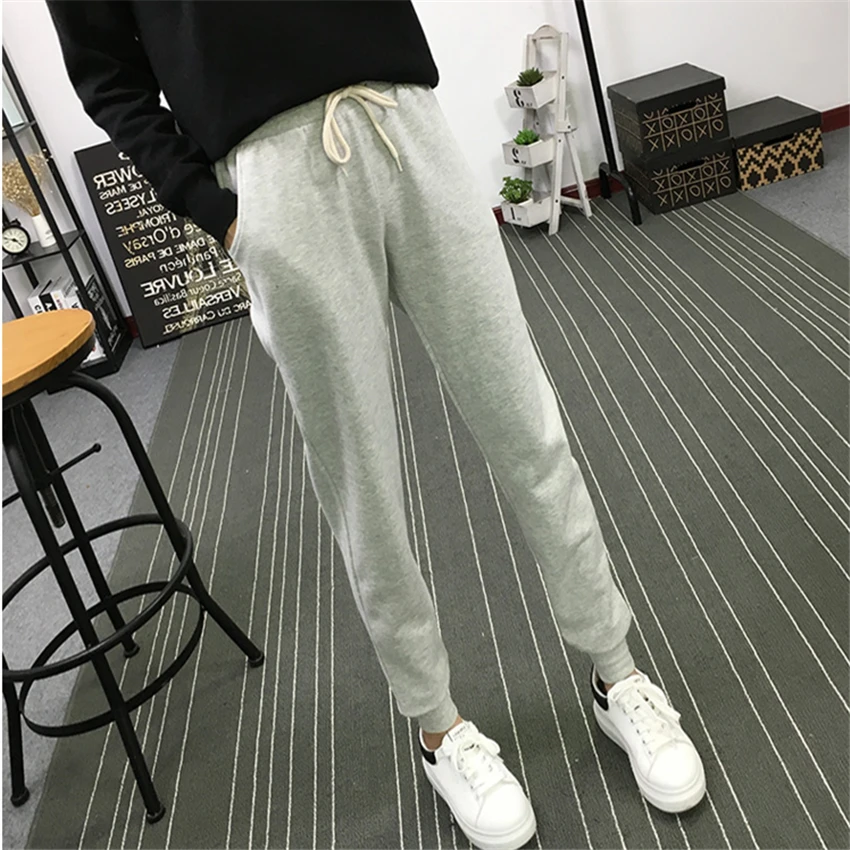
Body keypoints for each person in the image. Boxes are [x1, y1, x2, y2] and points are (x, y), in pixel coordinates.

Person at [48, 2, 706, 847]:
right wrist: (214, 208)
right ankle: (438, 727)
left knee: (525, 421)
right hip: (274, 177)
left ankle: (617, 673)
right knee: (363, 481)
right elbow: (108, 73)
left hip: (405, 119)